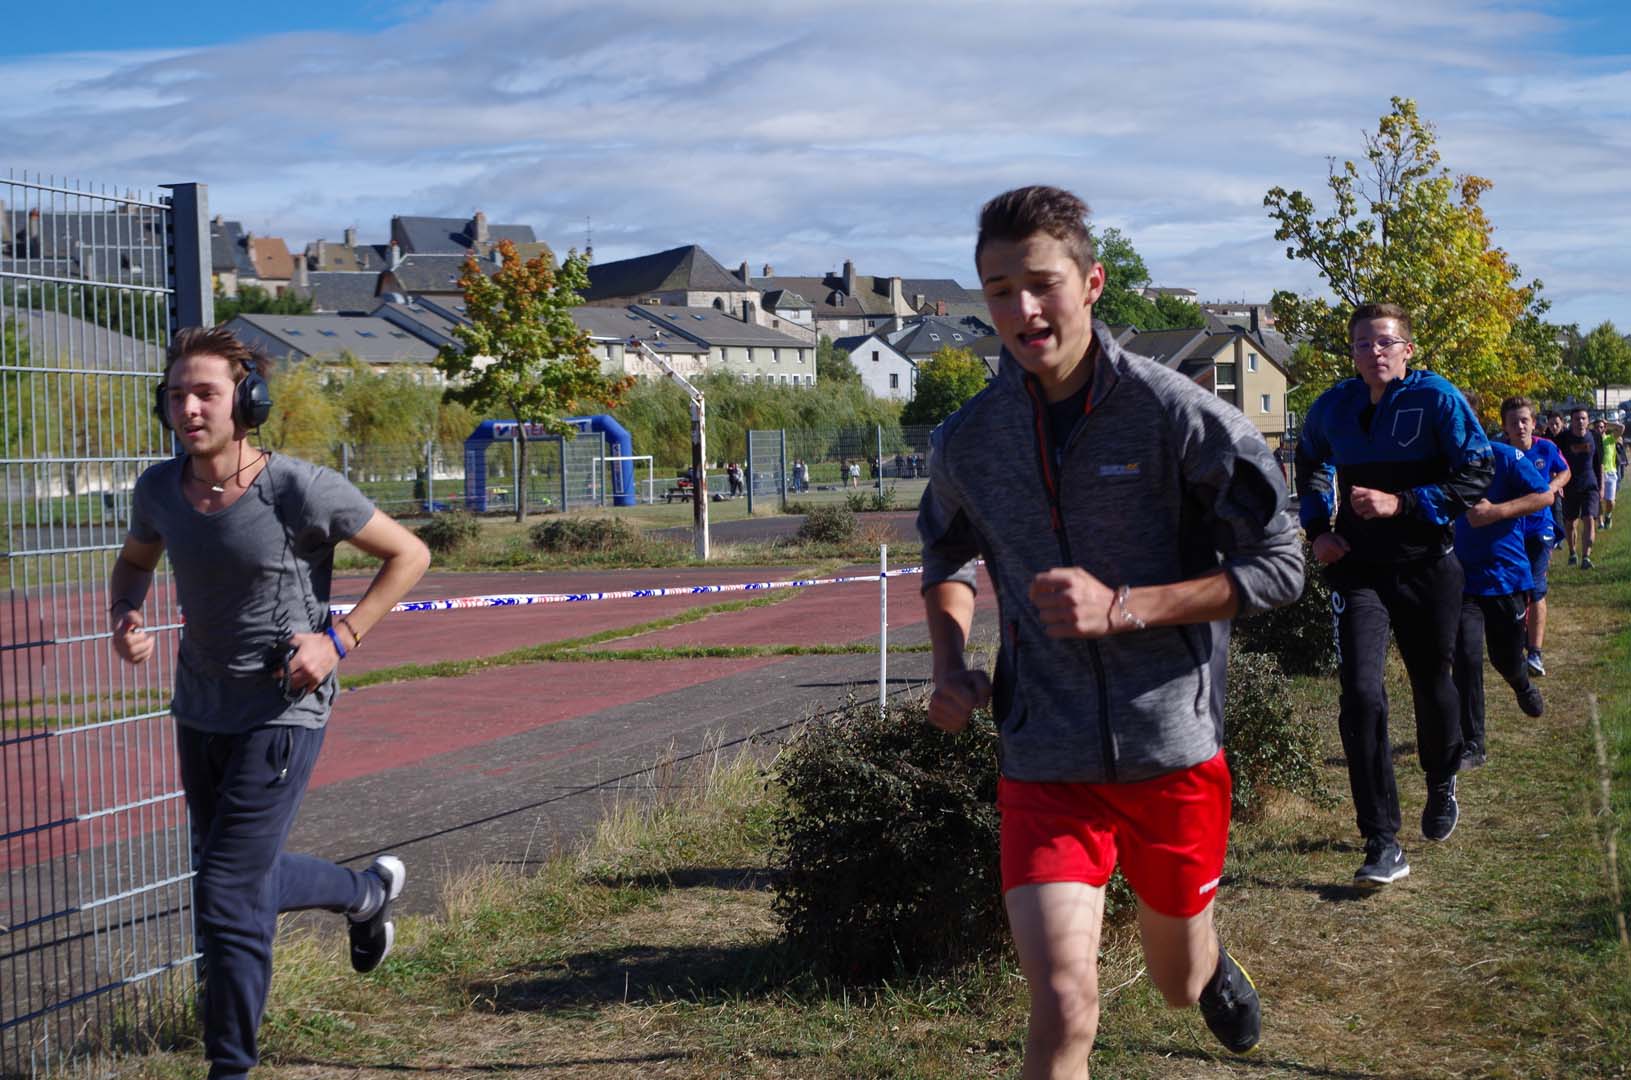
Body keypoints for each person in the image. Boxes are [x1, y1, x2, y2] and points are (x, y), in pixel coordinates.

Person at [919, 185, 1302, 1074]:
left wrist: (1126, 605)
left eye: (1041, 284)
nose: (1023, 310)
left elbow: (1281, 566)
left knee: (1173, 982)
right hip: (1044, 754)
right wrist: (949, 663)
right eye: (1000, 291)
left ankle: (1207, 962)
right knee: (1061, 1003)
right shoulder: (968, 439)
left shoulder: (1179, 417)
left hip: (1171, 747)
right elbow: (943, 553)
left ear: (1091, 284)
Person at [109, 327, 431, 1080]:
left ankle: (230, 1067)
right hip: (199, 708)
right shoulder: (159, 490)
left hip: (283, 709)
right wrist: (125, 615)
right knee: (236, 875)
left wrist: (338, 639)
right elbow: (134, 563)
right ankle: (365, 895)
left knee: (225, 890)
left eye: (205, 393)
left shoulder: (298, 489)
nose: (189, 408)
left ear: (246, 402)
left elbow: (409, 554)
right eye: (176, 395)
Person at [1295, 302, 1493, 885]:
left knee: (1432, 683)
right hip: (1359, 570)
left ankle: (1441, 776)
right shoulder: (1335, 405)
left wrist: (1403, 503)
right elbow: (1308, 460)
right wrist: (1318, 529)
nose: (1374, 352)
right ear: (1353, 352)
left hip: (1427, 567)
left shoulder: (1437, 398)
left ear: (1407, 349)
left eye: (1385, 342)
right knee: (1360, 694)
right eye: (1363, 343)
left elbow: (1477, 470)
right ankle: (1381, 839)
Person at [1451, 435, 1552, 768]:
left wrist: (1496, 512)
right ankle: (1473, 743)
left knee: (1504, 658)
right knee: (1466, 657)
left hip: (1505, 578)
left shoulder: (1505, 457)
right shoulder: (1441, 459)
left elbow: (1545, 495)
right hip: (1462, 578)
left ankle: (1521, 683)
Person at [1500, 398, 1569, 677]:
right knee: (1514, 589)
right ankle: (1516, 644)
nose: (1520, 426)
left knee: (1537, 587)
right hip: (1508, 530)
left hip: (1540, 528)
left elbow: (1565, 471)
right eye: (1513, 422)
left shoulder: (1546, 448)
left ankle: (1535, 654)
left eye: (1524, 420)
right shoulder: (1499, 453)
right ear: (1505, 427)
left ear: (1533, 423)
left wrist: (1551, 488)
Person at [1555, 407, 1601, 569]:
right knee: (1570, 523)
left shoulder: (1595, 436)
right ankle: (1572, 552)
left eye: (1583, 418)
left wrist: (1601, 486)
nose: (1580, 422)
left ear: (1588, 421)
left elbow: (1599, 463)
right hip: (1569, 485)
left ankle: (1586, 557)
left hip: (1590, 484)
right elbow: (1555, 462)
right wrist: (1557, 483)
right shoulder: (1563, 438)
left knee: (1589, 518)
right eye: (1577, 419)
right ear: (1571, 421)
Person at [1595, 416, 1623, 528]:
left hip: (1610, 472)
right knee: (1598, 499)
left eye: (1601, 427)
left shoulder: (1610, 438)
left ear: (1605, 428)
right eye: (1597, 427)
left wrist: (1607, 423)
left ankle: (1608, 516)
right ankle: (1600, 522)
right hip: (1597, 473)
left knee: (1610, 501)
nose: (1599, 429)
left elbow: (1621, 428)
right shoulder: (1592, 440)